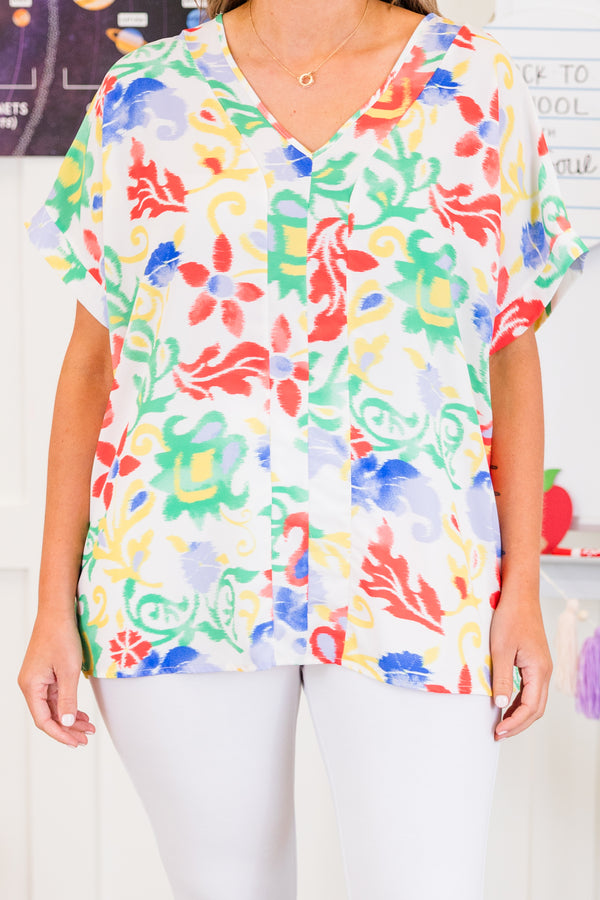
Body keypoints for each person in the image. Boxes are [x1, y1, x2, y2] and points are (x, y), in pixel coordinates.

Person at [18, 0, 587, 897]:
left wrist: (519, 592)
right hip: (178, 573)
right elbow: (91, 366)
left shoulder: (475, 83)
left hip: (417, 575)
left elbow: (510, 351)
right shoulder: (143, 94)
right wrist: (53, 604)